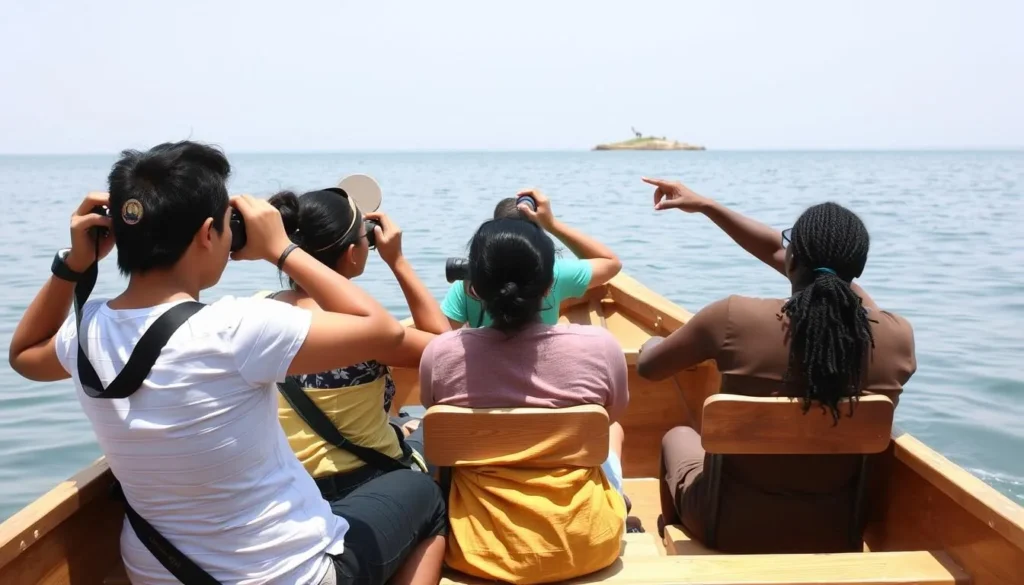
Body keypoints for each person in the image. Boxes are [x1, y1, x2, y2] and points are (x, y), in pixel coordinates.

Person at [7, 141, 446, 585]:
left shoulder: (86, 329)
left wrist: (73, 264)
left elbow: (24, 355)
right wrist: (280, 249)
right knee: (425, 497)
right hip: (287, 575)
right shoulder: (235, 327)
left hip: (157, 574)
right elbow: (384, 331)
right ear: (207, 234)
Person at [635, 177, 916, 554]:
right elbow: (835, 286)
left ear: (792, 259)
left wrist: (653, 343)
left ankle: (674, 543)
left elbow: (649, 368)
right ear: (858, 269)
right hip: (836, 531)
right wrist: (707, 206)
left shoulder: (733, 318)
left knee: (677, 437)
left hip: (726, 528)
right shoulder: (896, 338)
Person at [420, 217, 628, 584]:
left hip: (475, 551)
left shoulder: (441, 354)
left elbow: (432, 410)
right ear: (549, 286)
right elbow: (612, 414)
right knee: (614, 432)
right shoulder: (601, 347)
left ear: (473, 288)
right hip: (589, 544)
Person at [263, 188, 449, 501]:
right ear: (352, 254)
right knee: (431, 429)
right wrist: (397, 260)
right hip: (365, 480)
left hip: (290, 485)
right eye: (366, 239)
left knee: (401, 424)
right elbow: (443, 349)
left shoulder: (258, 310)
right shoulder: (364, 327)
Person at [440, 189, 621, 329]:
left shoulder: (469, 283)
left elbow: (440, 336)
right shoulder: (555, 273)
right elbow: (610, 263)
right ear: (548, 287)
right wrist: (551, 224)